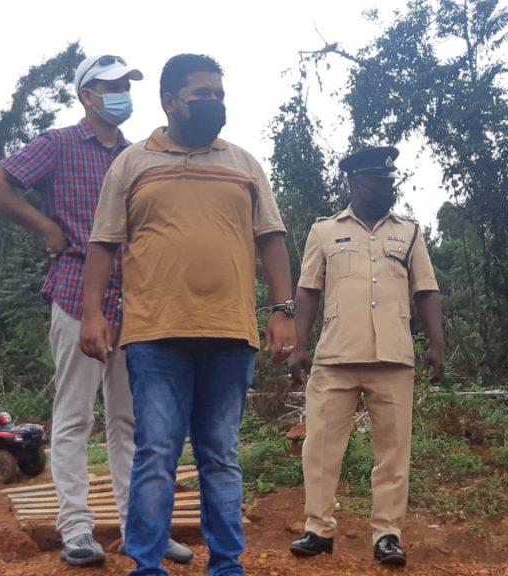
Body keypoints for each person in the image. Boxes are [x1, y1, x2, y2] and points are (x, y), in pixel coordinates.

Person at [80, 53, 297, 576]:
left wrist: (283, 310)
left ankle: (226, 564)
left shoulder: (243, 164)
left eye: (219, 94)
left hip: (231, 333)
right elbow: (104, 244)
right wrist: (92, 313)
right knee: (156, 452)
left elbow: (271, 239)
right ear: (170, 101)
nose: (214, 103)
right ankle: (148, 564)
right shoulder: (132, 164)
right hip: (156, 335)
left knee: (220, 454)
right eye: (203, 95)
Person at [0, 53, 192, 566]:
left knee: (129, 420)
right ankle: (76, 529)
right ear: (87, 96)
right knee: (74, 418)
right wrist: (46, 228)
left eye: (126, 84)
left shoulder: (141, 154)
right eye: (110, 85)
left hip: (135, 298)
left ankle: (143, 530)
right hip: (77, 292)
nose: (122, 93)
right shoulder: (59, 144)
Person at [287, 146, 444, 566]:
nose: (386, 186)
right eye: (377, 180)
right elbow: (308, 291)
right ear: (354, 184)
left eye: (389, 180)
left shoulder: (409, 232)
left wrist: (436, 345)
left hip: (394, 357)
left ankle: (387, 535)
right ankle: (318, 529)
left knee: (393, 452)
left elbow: (425, 289)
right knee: (320, 447)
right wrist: (300, 346)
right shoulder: (323, 231)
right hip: (335, 356)